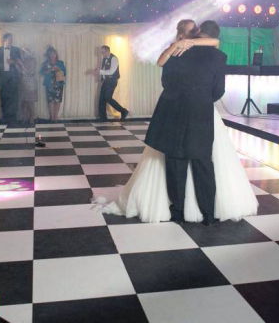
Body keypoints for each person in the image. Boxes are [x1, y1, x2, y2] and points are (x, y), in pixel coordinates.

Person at [99, 20, 258, 223]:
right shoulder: (219, 57)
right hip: (200, 113)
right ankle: (208, 214)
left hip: (172, 111)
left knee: (175, 162)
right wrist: (201, 98)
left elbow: (165, 82)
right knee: (203, 163)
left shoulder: (176, 51)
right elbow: (218, 91)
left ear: (198, 31)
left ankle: (178, 212)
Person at [0, 33, 22, 124]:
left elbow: (20, 63)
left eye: (12, 39)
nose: (11, 41)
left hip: (14, 77)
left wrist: (13, 62)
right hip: (2, 78)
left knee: (14, 98)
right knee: (3, 98)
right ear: (4, 40)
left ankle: (13, 117)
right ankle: (5, 117)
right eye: (9, 39)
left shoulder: (16, 50)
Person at [97, 45, 128, 121]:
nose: (102, 54)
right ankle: (103, 118)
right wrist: (101, 76)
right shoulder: (104, 59)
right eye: (101, 52)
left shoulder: (114, 59)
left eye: (103, 52)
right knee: (102, 99)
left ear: (108, 51)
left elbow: (111, 71)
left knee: (107, 98)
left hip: (112, 81)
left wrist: (100, 71)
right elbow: (104, 69)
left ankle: (123, 111)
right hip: (106, 81)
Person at [40, 46, 66, 122]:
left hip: (59, 84)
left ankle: (56, 117)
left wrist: (58, 69)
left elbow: (64, 73)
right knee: (50, 100)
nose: (52, 55)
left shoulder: (60, 62)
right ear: (48, 55)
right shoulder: (45, 63)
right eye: (51, 54)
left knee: (58, 100)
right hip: (49, 84)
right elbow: (41, 72)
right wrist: (49, 70)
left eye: (54, 53)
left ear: (56, 54)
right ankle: (51, 117)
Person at [20, 49, 38, 124]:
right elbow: (20, 72)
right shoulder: (22, 60)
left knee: (30, 102)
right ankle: (25, 118)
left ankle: (32, 118)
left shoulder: (33, 60)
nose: (25, 54)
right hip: (23, 82)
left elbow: (29, 72)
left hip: (31, 83)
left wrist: (21, 65)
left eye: (26, 52)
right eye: (23, 52)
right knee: (24, 102)